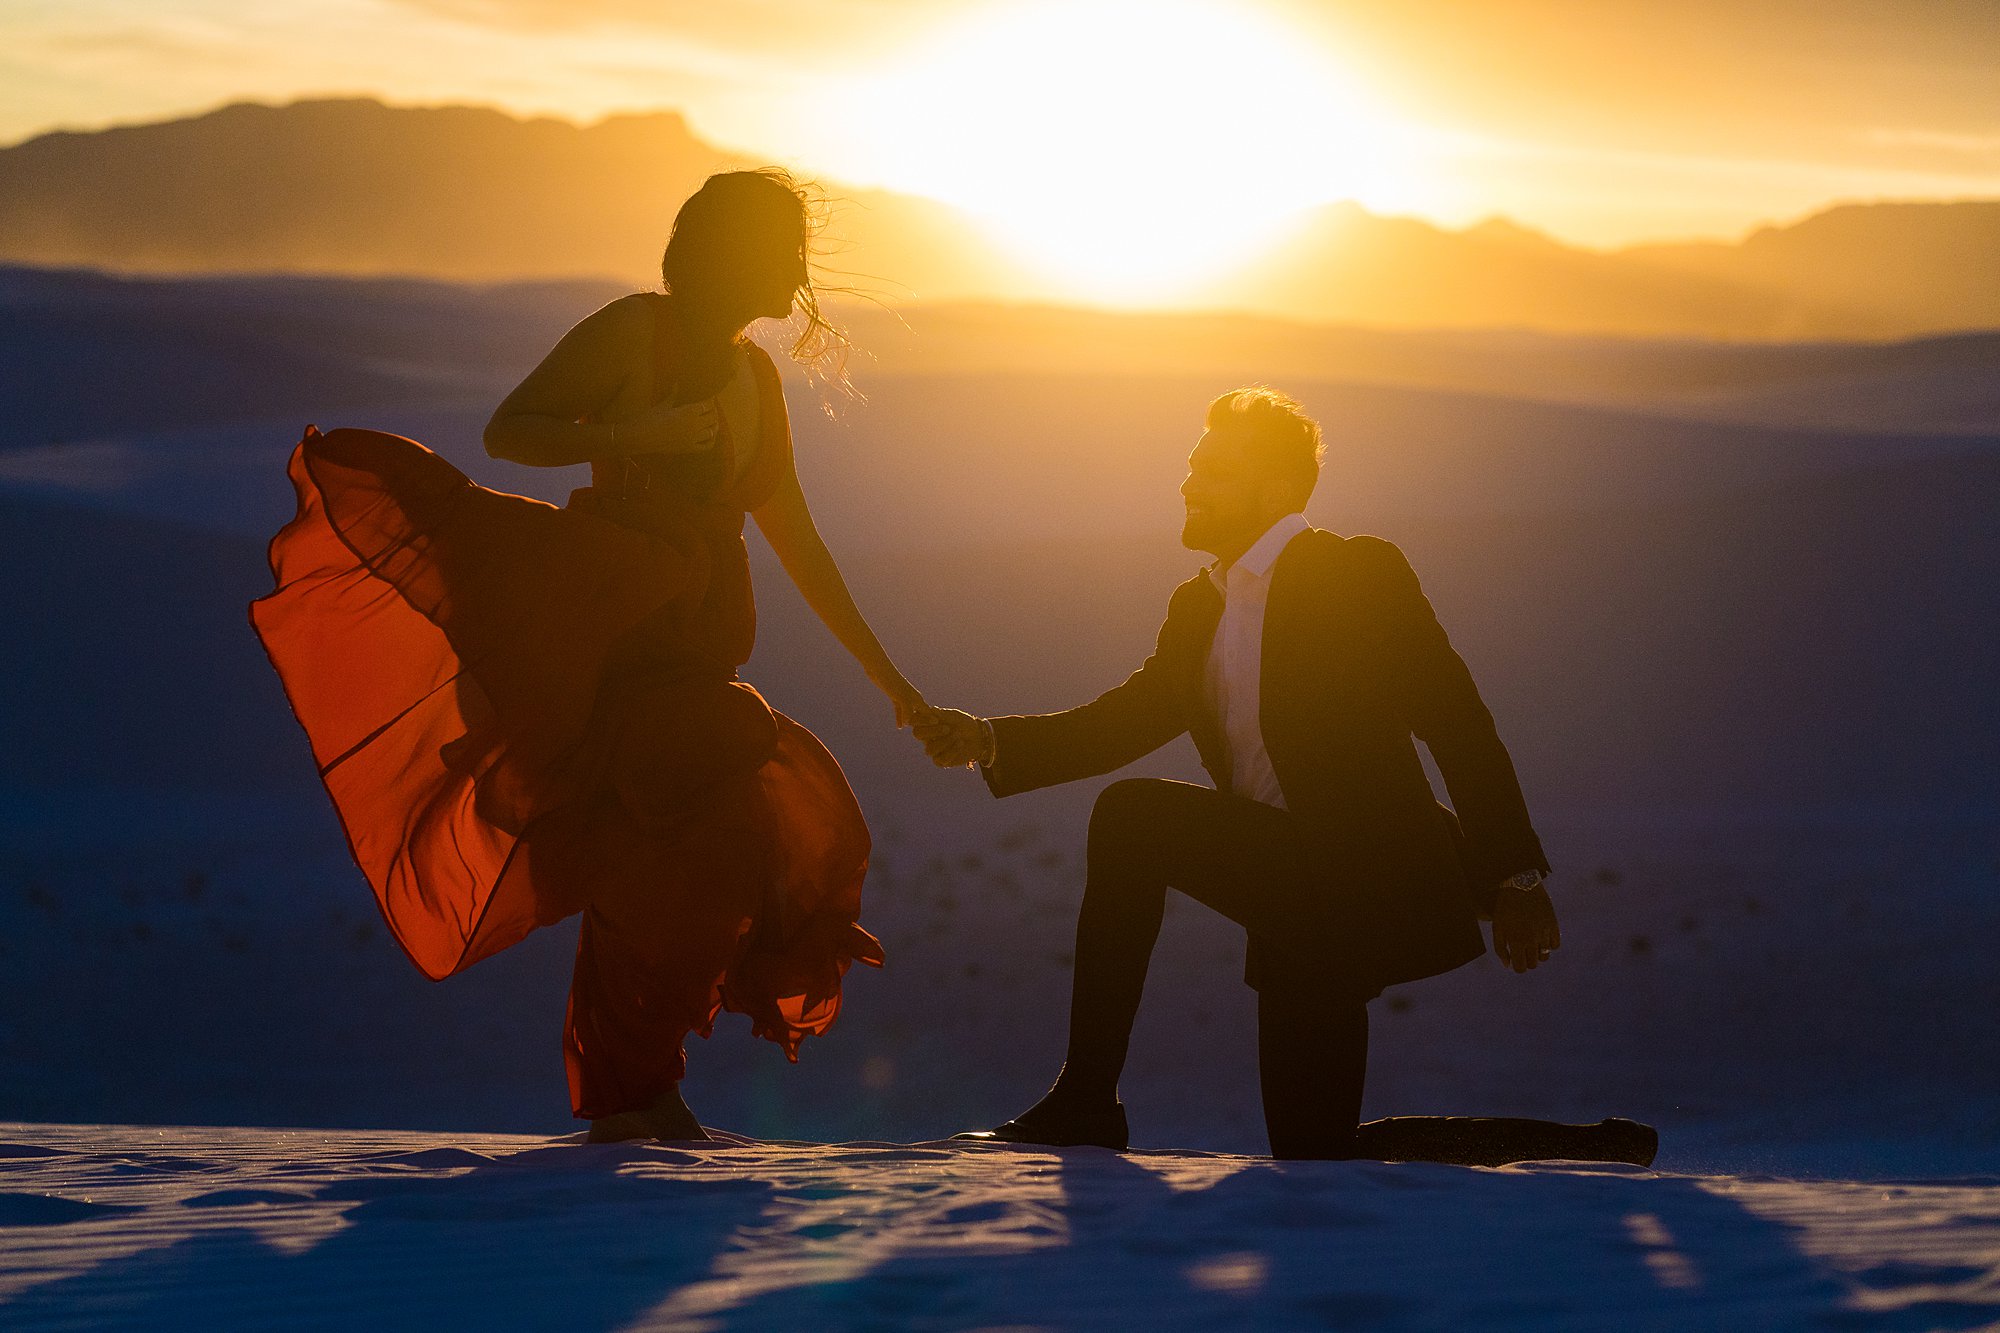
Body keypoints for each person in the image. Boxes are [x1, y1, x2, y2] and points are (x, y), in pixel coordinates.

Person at [251, 169, 923, 1143]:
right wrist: (635, 432)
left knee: (714, 865)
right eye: (784, 251)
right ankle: (631, 1103)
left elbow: (798, 541)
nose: (799, 273)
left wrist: (889, 678)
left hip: (697, 652)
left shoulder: (755, 380)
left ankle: (638, 1099)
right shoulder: (635, 334)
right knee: (666, 865)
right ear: (735, 253)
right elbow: (510, 430)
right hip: (616, 649)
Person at [915, 388, 1654, 1165]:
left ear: (1273, 489)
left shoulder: (1356, 573)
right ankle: (1589, 1149)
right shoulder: (1196, 608)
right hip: (1296, 905)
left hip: (1358, 879)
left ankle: (1086, 1098)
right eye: (1191, 466)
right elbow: (1125, 721)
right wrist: (988, 740)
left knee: (1132, 818)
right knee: (1313, 1150)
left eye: (1212, 469)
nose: (1187, 484)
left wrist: (1516, 875)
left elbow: (1456, 720)